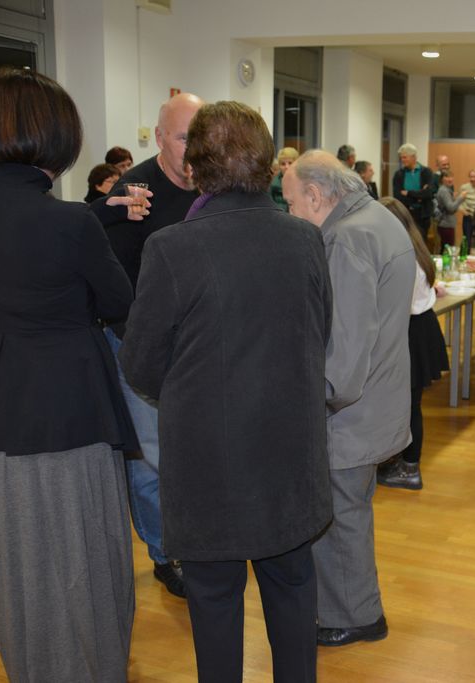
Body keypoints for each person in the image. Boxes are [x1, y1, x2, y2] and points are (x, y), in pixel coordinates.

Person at [119, 101, 332, 683]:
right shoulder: (305, 239)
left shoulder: (173, 247)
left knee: (214, 599)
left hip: (209, 463)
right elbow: (321, 335)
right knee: (293, 590)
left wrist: (195, 393)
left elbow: (140, 364)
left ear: (194, 168)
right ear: (267, 162)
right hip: (290, 452)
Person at [0, 66, 138, 683]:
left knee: (16, 558)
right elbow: (121, 302)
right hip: (71, 409)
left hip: (1, 408)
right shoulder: (69, 222)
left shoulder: (71, 217)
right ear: (55, 137)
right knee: (80, 552)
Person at [282, 150, 414, 648]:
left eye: (292, 203)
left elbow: (344, 348)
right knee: (350, 509)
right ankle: (353, 607)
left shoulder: (346, 237)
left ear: (316, 195)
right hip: (377, 400)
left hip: (351, 411)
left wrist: (314, 401)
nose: (291, 213)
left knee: (340, 517)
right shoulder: (376, 217)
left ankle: (355, 616)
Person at [90, 91, 205, 599]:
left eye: (200, 138)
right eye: (183, 138)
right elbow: (115, 285)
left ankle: (196, 541)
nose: (193, 149)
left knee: (191, 453)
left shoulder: (211, 186)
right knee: (152, 458)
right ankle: (166, 553)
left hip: (195, 348)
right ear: (159, 138)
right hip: (140, 348)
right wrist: (142, 345)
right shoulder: (134, 193)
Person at [376, 197, 450, 490]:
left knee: (408, 405)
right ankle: (402, 459)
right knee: (409, 403)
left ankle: (409, 467)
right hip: (422, 328)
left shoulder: (398, 255)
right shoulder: (416, 249)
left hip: (410, 332)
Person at [392, 143, 434, 239]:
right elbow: (397, 196)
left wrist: (408, 193)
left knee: (421, 242)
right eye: (401, 158)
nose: (402, 160)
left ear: (414, 157)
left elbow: (428, 193)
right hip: (406, 214)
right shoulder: (399, 174)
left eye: (405, 157)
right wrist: (418, 197)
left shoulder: (426, 172)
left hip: (423, 216)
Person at [435, 169, 466, 248]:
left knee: (445, 248)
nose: (450, 179)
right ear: (442, 179)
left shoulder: (446, 190)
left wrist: (454, 199)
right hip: (446, 224)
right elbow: (451, 208)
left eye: (451, 176)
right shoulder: (444, 191)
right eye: (447, 177)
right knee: (448, 249)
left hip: (446, 224)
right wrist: (461, 197)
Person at [270, 146, 299, 211]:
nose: (286, 167)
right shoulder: (272, 185)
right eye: (283, 164)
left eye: (290, 163)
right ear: (279, 166)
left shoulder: (303, 183)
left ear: (296, 163)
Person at [458, 168, 475, 243]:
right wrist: (463, 211)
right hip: (468, 216)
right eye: (471, 177)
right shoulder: (464, 187)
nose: (472, 179)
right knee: (467, 239)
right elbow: (458, 202)